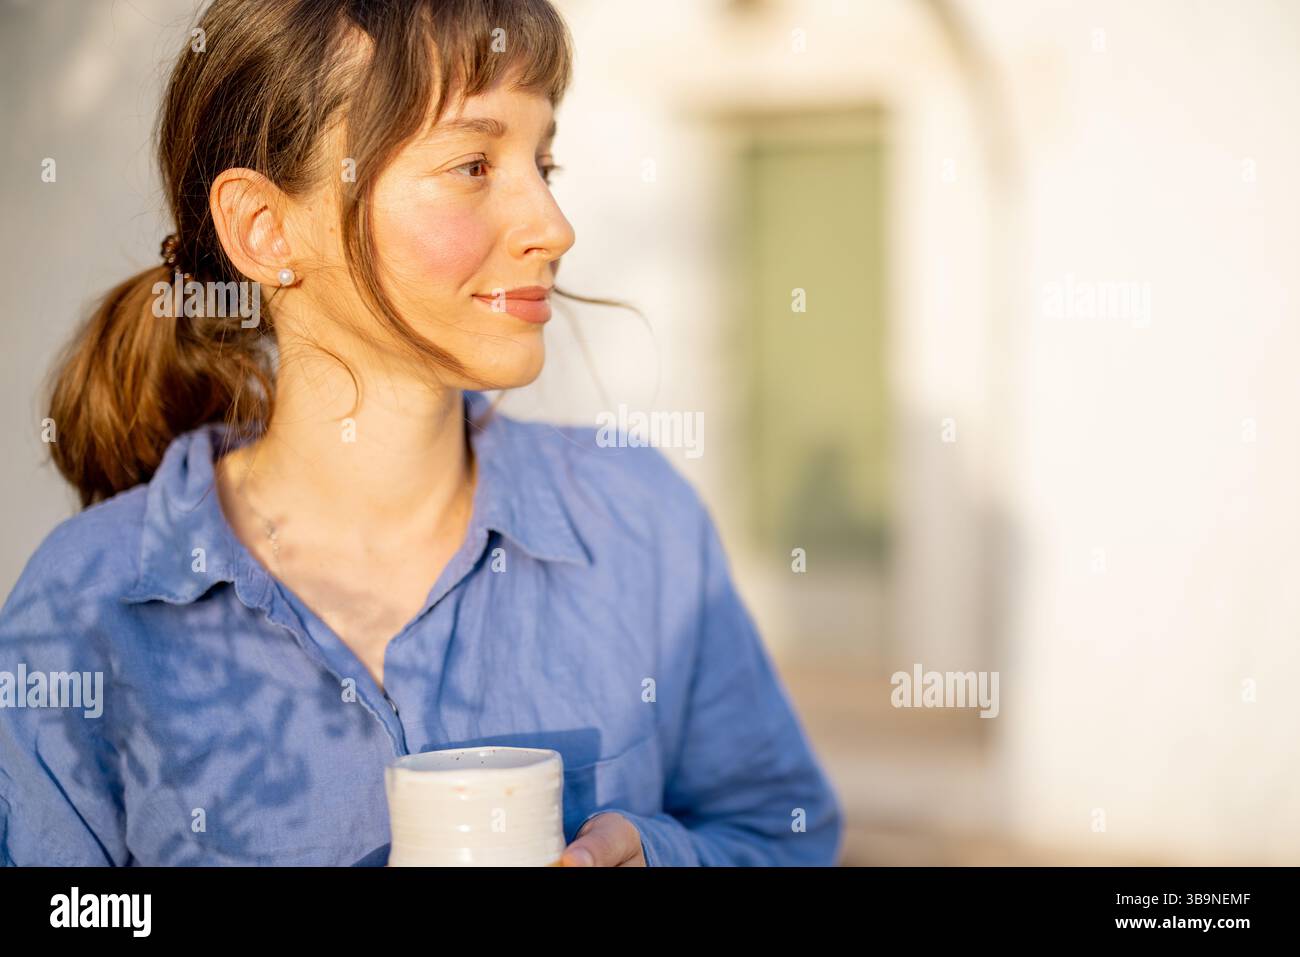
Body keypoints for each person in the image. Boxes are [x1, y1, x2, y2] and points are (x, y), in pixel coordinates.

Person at [0, 0, 843, 866]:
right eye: (474, 164)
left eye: (543, 160)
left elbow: (782, 829)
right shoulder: (83, 608)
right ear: (264, 228)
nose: (554, 226)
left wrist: (661, 857)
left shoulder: (638, 520)